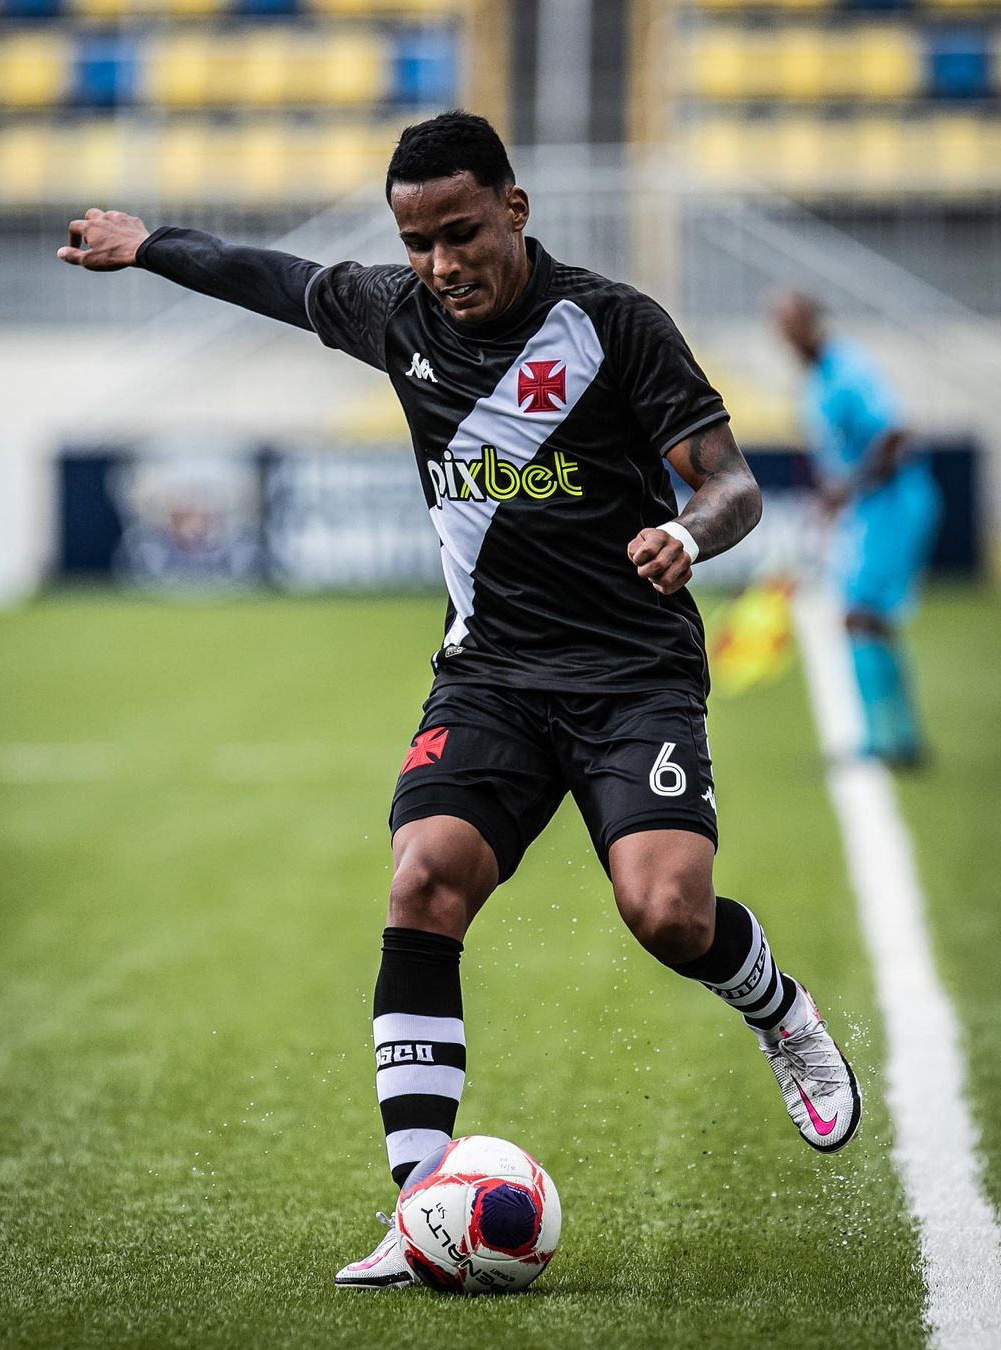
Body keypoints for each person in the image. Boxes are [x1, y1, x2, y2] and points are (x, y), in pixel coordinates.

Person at [60, 111, 861, 1289]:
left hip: (631, 675)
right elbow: (274, 279)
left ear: (514, 210)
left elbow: (732, 482)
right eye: (418, 242)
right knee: (423, 881)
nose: (442, 264)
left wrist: (691, 535)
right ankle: (418, 1204)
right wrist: (151, 247)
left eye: (462, 233)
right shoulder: (398, 315)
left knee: (668, 915)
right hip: (489, 673)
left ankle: (778, 1009)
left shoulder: (616, 325)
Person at [772, 292, 941, 767]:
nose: (783, 335)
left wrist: (848, 488)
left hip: (894, 503)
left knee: (860, 616)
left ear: (809, 322)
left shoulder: (848, 368)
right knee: (869, 620)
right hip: (871, 507)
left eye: (789, 323)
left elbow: (895, 435)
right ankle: (899, 738)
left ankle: (886, 740)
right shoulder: (816, 378)